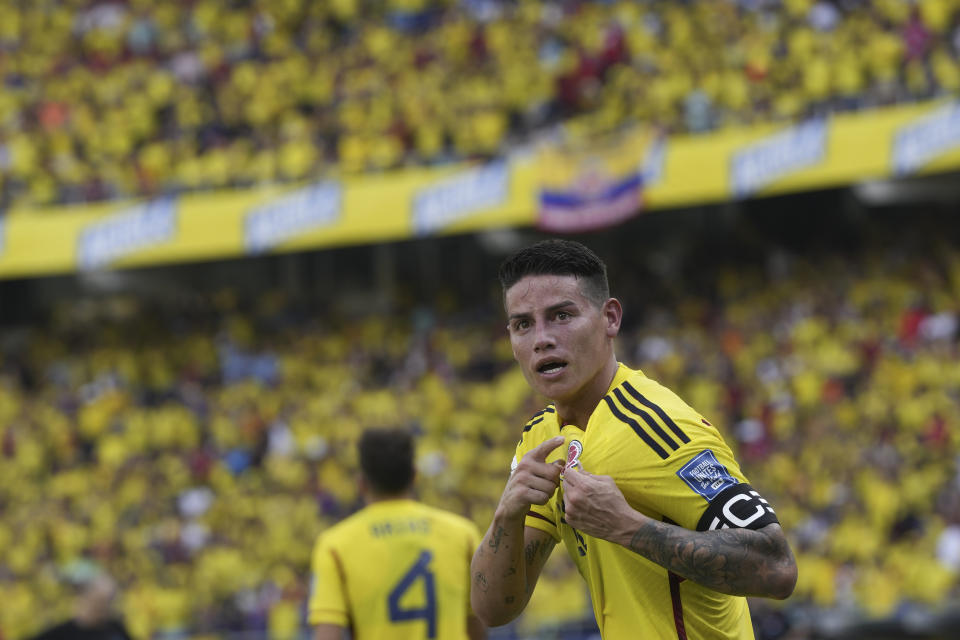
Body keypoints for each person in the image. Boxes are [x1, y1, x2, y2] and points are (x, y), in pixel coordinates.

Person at [471, 239, 797, 639]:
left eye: (561, 315)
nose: (541, 338)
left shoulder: (657, 425)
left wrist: (626, 525)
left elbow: (777, 566)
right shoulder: (540, 437)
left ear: (610, 318)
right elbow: (494, 610)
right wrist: (507, 513)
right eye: (523, 324)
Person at [308, 428, 486, 640]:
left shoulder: (335, 545)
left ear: (361, 483)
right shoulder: (463, 534)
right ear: (414, 476)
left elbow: (328, 634)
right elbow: (478, 625)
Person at [28, 574, 132, 640]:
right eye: (101, 602)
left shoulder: (115, 627)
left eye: (110, 601)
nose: (105, 608)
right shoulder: (63, 633)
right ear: (86, 598)